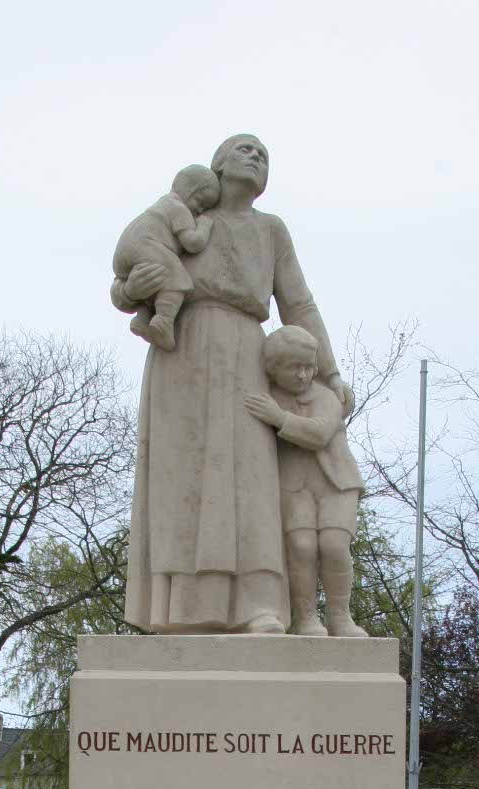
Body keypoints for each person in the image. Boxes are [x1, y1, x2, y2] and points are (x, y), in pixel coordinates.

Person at [112, 134, 352, 634]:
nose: (256, 157)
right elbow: (129, 269)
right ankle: (178, 611)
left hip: (247, 352)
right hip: (180, 349)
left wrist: (328, 372)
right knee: (181, 479)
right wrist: (128, 289)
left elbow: (298, 303)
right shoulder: (183, 216)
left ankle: (258, 605)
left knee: (251, 479)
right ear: (218, 164)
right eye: (245, 149)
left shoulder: (271, 231)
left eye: (264, 154)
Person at [245, 325, 367, 638]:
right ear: (273, 369)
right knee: (301, 547)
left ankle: (341, 617)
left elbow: (319, 434)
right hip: (293, 485)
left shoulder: (326, 397)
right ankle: (306, 617)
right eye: (294, 367)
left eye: (309, 366)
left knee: (335, 545)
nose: (303, 375)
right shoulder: (267, 398)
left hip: (336, 483)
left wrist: (280, 418)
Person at [112, 165, 220, 352]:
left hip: (124, 253)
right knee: (175, 277)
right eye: (200, 202)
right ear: (190, 191)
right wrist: (204, 226)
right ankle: (163, 321)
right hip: (145, 245)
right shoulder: (178, 208)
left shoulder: (162, 204)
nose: (200, 210)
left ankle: (143, 318)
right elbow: (193, 243)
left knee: (158, 281)